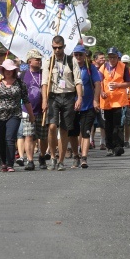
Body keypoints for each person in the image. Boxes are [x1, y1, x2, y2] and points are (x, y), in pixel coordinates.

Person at [42, 35, 82, 171]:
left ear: (64, 47)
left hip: (69, 96)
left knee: (64, 129)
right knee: (52, 126)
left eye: (59, 47)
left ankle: (61, 160)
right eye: (54, 48)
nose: (57, 50)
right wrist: (44, 100)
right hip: (53, 96)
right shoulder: (49, 61)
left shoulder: (71, 60)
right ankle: (52, 156)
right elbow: (44, 83)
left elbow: (77, 81)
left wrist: (80, 98)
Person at [0, 59, 34, 172]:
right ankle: (3, 162)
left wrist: (31, 114)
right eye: (6, 69)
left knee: (10, 138)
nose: (8, 71)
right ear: (2, 70)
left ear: (14, 71)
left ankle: (10, 163)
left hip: (14, 114)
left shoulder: (20, 84)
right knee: (0, 139)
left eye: (11, 70)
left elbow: (26, 100)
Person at [68, 45, 101, 168]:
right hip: (72, 105)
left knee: (86, 132)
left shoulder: (90, 68)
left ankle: (84, 157)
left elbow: (97, 83)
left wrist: (96, 100)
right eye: (76, 55)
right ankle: (76, 155)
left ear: (85, 56)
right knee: (73, 133)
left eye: (81, 55)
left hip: (87, 105)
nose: (78, 57)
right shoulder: (69, 68)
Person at [99, 47, 130, 157]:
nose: (112, 59)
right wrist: (101, 92)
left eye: (114, 57)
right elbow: (98, 82)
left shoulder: (123, 67)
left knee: (117, 124)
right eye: (110, 57)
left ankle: (118, 146)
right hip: (106, 100)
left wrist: (118, 85)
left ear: (118, 57)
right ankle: (109, 147)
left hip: (118, 100)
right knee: (108, 124)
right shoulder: (103, 67)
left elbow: (129, 83)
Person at [20, 49, 48, 171]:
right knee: (29, 135)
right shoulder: (22, 75)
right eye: (37, 59)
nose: (39, 61)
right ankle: (30, 160)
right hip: (27, 110)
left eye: (40, 59)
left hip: (43, 109)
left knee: (43, 136)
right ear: (30, 61)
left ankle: (42, 156)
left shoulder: (45, 73)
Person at [90, 51, 107, 150]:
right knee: (91, 122)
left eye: (104, 58)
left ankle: (102, 142)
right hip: (92, 100)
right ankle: (91, 140)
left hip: (103, 101)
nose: (103, 59)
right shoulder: (91, 69)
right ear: (95, 60)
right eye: (101, 58)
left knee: (102, 122)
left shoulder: (106, 69)